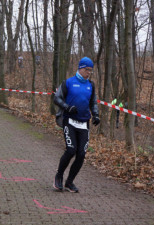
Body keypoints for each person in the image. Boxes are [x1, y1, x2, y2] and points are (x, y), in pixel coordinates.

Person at [53, 57, 100, 193]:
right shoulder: (68, 82)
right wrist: (67, 107)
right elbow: (57, 98)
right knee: (71, 150)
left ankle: (69, 182)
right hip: (70, 121)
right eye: (87, 70)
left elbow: (93, 102)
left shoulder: (90, 85)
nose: (88, 73)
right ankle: (59, 176)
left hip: (84, 123)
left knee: (81, 154)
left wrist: (96, 115)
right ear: (80, 68)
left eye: (91, 71)